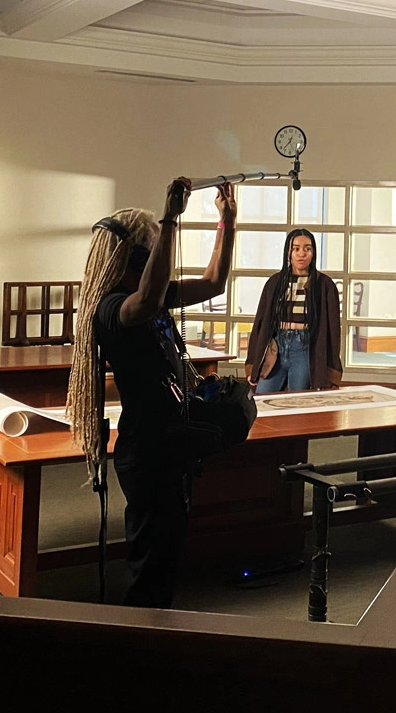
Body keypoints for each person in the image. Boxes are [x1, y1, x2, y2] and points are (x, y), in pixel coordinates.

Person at [67, 177, 236, 608]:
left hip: (169, 446)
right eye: (146, 253)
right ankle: (136, 650)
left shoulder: (154, 296)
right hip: (146, 451)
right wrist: (169, 220)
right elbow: (143, 303)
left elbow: (214, 282)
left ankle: (155, 642)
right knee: (150, 568)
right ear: (132, 257)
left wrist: (227, 222)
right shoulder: (109, 307)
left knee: (167, 558)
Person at [245, 228, 342, 392]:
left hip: (305, 347)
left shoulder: (324, 285)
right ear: (288, 252)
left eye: (307, 248)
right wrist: (253, 364)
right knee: (262, 399)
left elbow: (333, 332)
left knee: (298, 399)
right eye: (296, 248)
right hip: (276, 347)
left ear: (313, 253)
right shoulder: (275, 282)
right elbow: (260, 324)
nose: (301, 253)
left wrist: (331, 372)